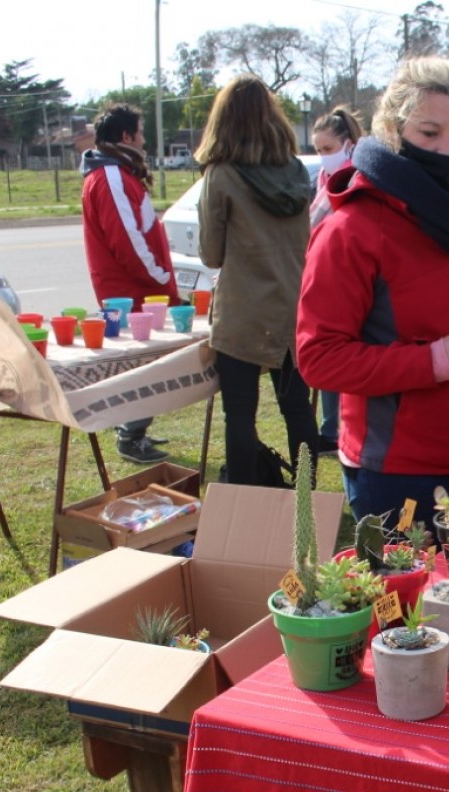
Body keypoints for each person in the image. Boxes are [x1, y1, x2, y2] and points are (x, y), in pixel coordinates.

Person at [294, 57, 449, 524]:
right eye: (429, 134)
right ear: (392, 129)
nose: (447, 151)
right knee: (409, 596)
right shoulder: (352, 228)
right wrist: (430, 361)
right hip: (394, 471)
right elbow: (318, 357)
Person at [193, 75, 321, 487]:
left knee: (240, 415)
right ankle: (305, 499)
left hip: (243, 314)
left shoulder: (222, 174)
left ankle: (245, 508)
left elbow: (211, 254)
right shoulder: (297, 170)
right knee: (297, 410)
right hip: (293, 308)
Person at [80, 103, 180, 464]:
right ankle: (130, 433)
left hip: (136, 289)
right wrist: (162, 277)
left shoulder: (117, 172)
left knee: (143, 365)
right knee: (144, 365)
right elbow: (128, 240)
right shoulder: (111, 177)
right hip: (133, 292)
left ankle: (134, 428)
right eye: (140, 132)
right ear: (126, 136)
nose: (143, 140)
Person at [307, 107, 366, 455]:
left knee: (342, 356)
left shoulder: (356, 176)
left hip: (347, 278)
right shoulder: (322, 179)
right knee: (328, 353)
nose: (323, 157)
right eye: (318, 150)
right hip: (325, 275)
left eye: (328, 149)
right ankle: (331, 428)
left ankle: (338, 429)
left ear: (348, 144)